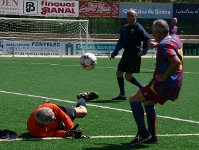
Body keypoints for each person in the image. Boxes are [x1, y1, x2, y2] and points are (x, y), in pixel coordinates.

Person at [129, 19, 184, 146]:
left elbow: (175, 61)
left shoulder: (164, 45)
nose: (152, 36)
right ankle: (153, 135)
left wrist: (164, 75)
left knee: (134, 99)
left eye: (153, 33)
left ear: (158, 32)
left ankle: (143, 133)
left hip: (164, 83)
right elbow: (170, 45)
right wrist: (158, 44)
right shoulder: (175, 38)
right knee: (148, 101)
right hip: (176, 82)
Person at [110, 9, 151, 100]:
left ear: (136, 17)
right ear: (126, 17)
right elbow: (121, 41)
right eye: (129, 15)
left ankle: (144, 89)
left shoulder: (138, 27)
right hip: (126, 53)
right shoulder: (124, 27)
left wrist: (144, 51)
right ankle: (122, 95)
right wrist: (115, 52)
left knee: (128, 77)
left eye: (132, 15)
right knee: (119, 73)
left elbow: (147, 38)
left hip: (134, 54)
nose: (130, 17)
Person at [27, 92, 99, 138]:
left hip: (50, 109)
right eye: (52, 120)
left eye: (54, 117)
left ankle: (82, 97)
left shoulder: (52, 107)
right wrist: (68, 133)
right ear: (44, 124)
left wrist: (72, 129)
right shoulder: (37, 132)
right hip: (45, 123)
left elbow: (64, 117)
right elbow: (53, 133)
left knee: (83, 112)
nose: (55, 118)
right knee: (64, 127)